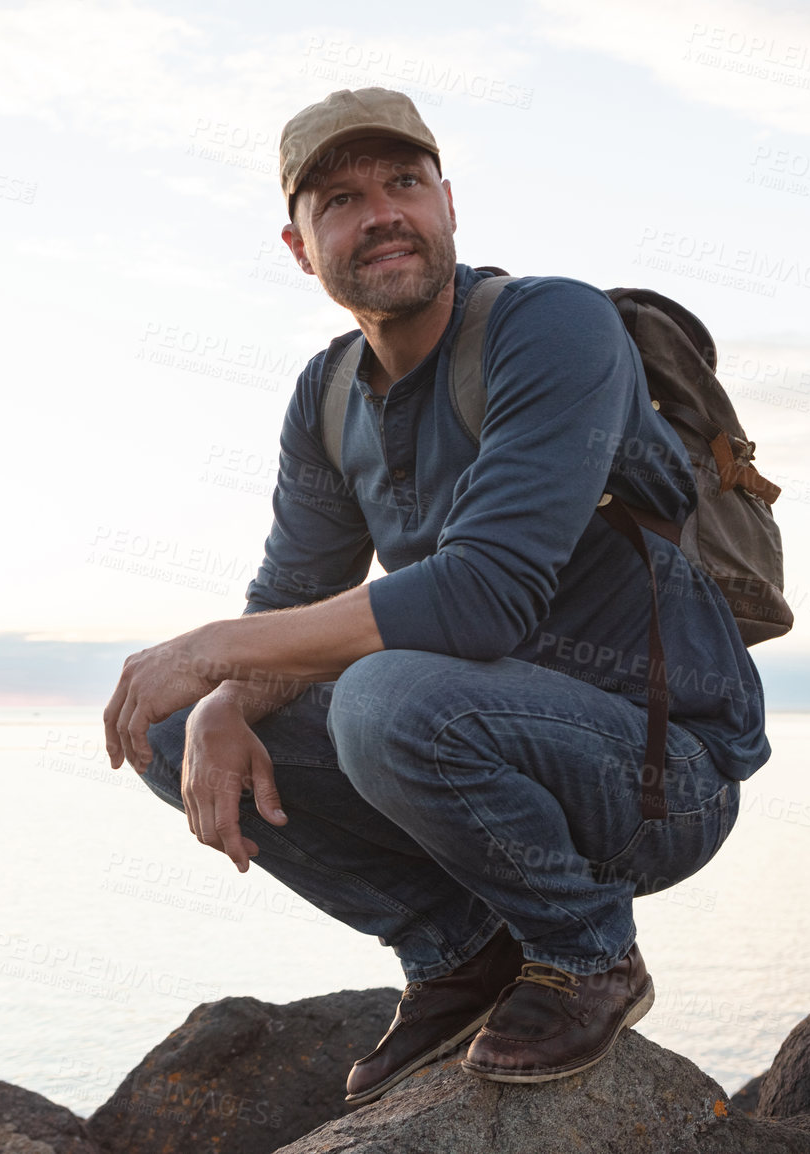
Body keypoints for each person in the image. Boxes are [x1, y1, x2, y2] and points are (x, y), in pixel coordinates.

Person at [102, 87, 768, 1104]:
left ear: (448, 204)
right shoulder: (326, 395)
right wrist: (222, 697)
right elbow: (292, 593)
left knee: (381, 695)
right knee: (171, 725)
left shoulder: (555, 326)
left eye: (403, 183)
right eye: (341, 197)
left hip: (656, 770)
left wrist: (211, 648)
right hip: (472, 740)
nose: (381, 213)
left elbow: (479, 601)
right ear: (299, 244)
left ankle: (588, 951)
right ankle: (459, 949)